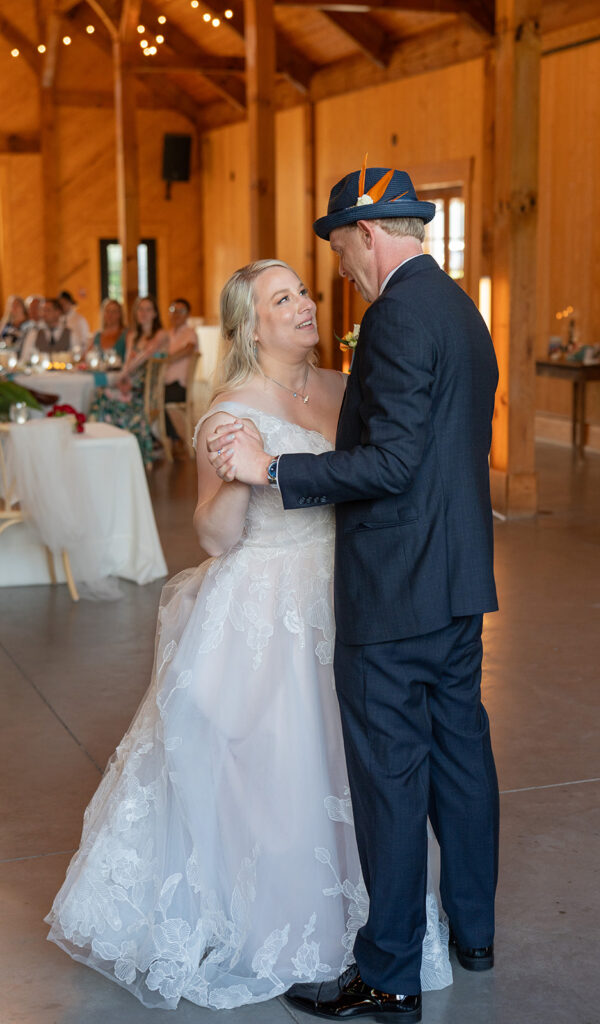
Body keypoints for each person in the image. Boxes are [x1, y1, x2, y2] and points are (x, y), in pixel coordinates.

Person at [45, 259, 452, 1011]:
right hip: (268, 601)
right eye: (282, 299)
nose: (304, 305)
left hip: (351, 591)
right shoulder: (230, 411)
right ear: (250, 327)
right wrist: (241, 473)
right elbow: (212, 537)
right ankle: (275, 919)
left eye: (304, 292)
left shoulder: (346, 386)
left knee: (361, 762)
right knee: (276, 767)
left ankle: (378, 924)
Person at [209, 165, 500, 1021]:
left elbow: (393, 462)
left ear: (367, 234)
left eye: (338, 250)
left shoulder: (395, 317)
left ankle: (388, 974)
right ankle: (474, 932)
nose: (336, 270)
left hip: (394, 589)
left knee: (390, 781)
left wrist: (273, 469)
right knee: (461, 757)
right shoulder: (457, 307)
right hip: (455, 578)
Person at [89, 296, 168, 466]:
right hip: (131, 385)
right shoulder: (133, 335)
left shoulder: (161, 335)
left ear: (155, 313)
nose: (143, 313)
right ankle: (106, 448)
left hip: (146, 390)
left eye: (148, 309)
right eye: (140, 309)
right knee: (99, 393)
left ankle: (119, 448)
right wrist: (123, 379)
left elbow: (146, 354)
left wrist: (124, 375)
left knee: (105, 396)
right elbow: (127, 362)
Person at [164, 297, 199, 446]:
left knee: (156, 399)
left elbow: (189, 348)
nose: (176, 314)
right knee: (146, 396)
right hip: (164, 383)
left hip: (179, 386)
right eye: (173, 310)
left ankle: (174, 438)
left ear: (187, 315)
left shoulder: (190, 333)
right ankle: (165, 438)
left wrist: (168, 359)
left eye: (181, 311)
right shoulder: (167, 334)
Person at [20, 297, 72, 362]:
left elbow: (76, 355)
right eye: (43, 310)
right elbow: (25, 357)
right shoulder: (34, 332)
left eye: (48, 310)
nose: (44, 313)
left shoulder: (70, 333)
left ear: (58, 312)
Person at [88, 298, 127, 363]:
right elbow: (86, 356)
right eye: (107, 311)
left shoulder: (126, 334)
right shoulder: (97, 335)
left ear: (120, 314)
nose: (110, 315)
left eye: (114, 311)